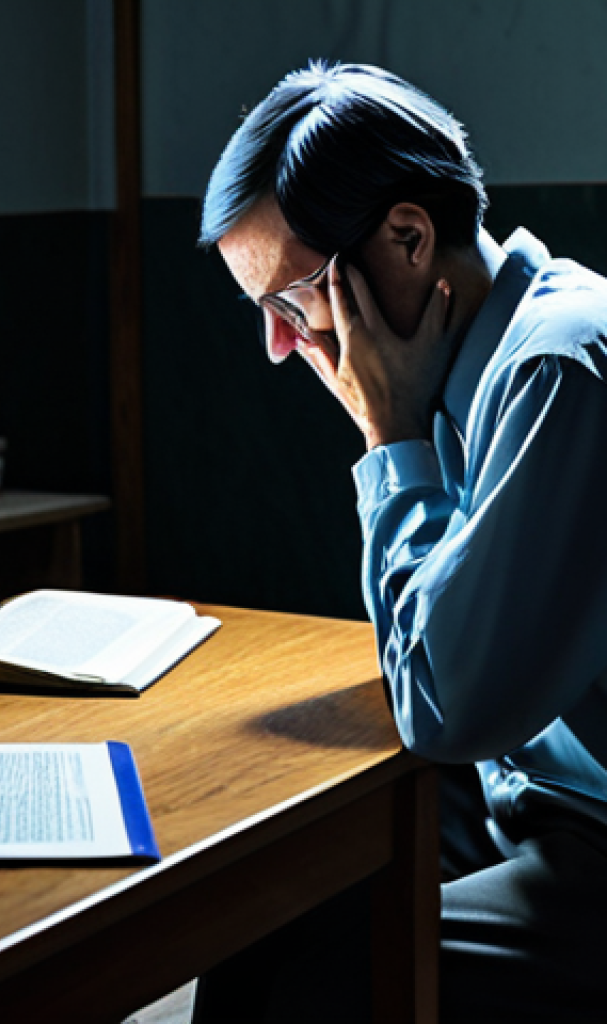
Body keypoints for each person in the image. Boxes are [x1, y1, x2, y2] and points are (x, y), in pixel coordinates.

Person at [194, 61, 607, 1023]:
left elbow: (444, 706)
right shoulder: (479, 363)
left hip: (588, 828)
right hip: (519, 790)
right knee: (255, 917)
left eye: (290, 299)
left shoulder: (558, 368)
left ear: (409, 237)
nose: (280, 344)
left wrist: (390, 445)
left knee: (303, 978)